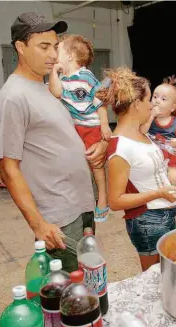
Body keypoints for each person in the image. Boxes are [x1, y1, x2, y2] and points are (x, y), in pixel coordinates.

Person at [0, 12, 108, 273]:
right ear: (21, 48)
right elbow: (9, 168)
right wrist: (38, 225)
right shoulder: (13, 97)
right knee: (66, 294)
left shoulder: (47, 88)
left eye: (55, 47)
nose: (54, 55)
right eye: (44, 47)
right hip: (57, 218)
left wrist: (98, 148)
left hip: (80, 205)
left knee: (85, 285)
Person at [99, 68, 176, 272]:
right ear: (136, 104)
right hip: (147, 221)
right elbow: (115, 201)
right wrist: (158, 193)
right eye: (149, 99)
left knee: (166, 275)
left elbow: (151, 170)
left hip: (165, 213)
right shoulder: (120, 147)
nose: (152, 105)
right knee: (152, 280)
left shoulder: (142, 134)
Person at [49, 34, 111, 222]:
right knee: (79, 163)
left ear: (69, 56)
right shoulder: (62, 78)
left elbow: (100, 101)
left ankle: (103, 198)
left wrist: (105, 125)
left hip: (91, 126)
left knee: (96, 163)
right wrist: (53, 71)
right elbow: (56, 92)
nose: (54, 54)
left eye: (57, 50)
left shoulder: (86, 76)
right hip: (74, 127)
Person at [140, 75, 176, 218]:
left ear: (172, 107)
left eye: (163, 99)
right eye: (155, 97)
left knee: (174, 178)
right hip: (155, 157)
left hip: (172, 155)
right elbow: (143, 130)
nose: (157, 101)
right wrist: (150, 116)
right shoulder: (149, 119)